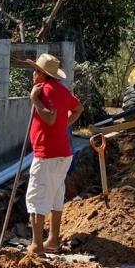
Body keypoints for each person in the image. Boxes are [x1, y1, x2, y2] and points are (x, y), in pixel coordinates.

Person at [24, 53, 83, 256]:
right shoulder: (62, 90)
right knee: (56, 194)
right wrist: (63, 124)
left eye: (35, 71)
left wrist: (34, 99)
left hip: (47, 154)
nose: (33, 75)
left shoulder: (45, 91)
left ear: (42, 74)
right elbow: (79, 109)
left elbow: (49, 118)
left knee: (36, 198)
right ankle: (53, 240)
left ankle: (36, 245)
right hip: (63, 153)